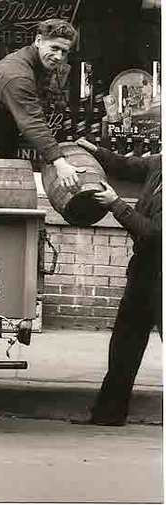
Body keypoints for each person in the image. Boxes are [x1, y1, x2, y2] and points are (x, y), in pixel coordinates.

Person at [73, 136, 161, 426]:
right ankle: (108, 414)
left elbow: (153, 234)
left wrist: (116, 204)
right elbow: (125, 165)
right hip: (146, 271)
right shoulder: (159, 164)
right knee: (125, 343)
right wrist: (94, 151)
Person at [0, 18, 82, 192]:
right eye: (54, 48)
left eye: (64, 51)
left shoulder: (34, 63)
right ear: (38, 41)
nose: (59, 56)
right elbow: (32, 122)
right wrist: (59, 162)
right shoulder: (18, 75)